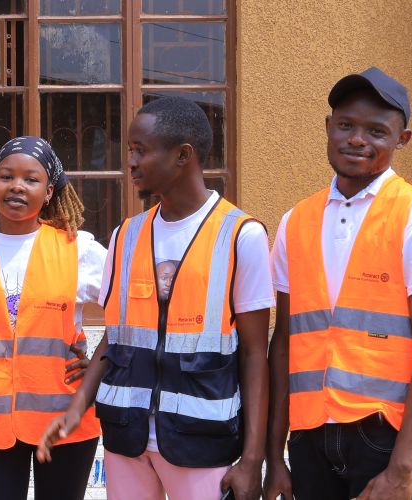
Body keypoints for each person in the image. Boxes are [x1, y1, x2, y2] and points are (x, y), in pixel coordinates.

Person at [38, 97, 273, 500]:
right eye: (130, 150)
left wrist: (253, 459)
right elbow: (116, 338)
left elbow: (255, 354)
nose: (129, 161)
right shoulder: (124, 236)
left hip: (202, 443)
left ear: (184, 155)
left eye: (140, 151)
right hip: (125, 437)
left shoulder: (241, 235)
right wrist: (77, 409)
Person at [263, 67, 412, 500]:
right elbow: (283, 343)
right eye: (345, 125)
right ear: (328, 128)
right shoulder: (294, 221)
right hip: (309, 438)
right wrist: (275, 456)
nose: (357, 139)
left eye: (376, 131)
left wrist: (402, 467)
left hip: (384, 438)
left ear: (402, 139)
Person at [0, 136, 104, 499]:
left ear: (50, 190)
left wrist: (100, 366)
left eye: (31, 179)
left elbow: (131, 314)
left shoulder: (79, 249)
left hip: (64, 421)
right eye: (6, 176)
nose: (16, 187)